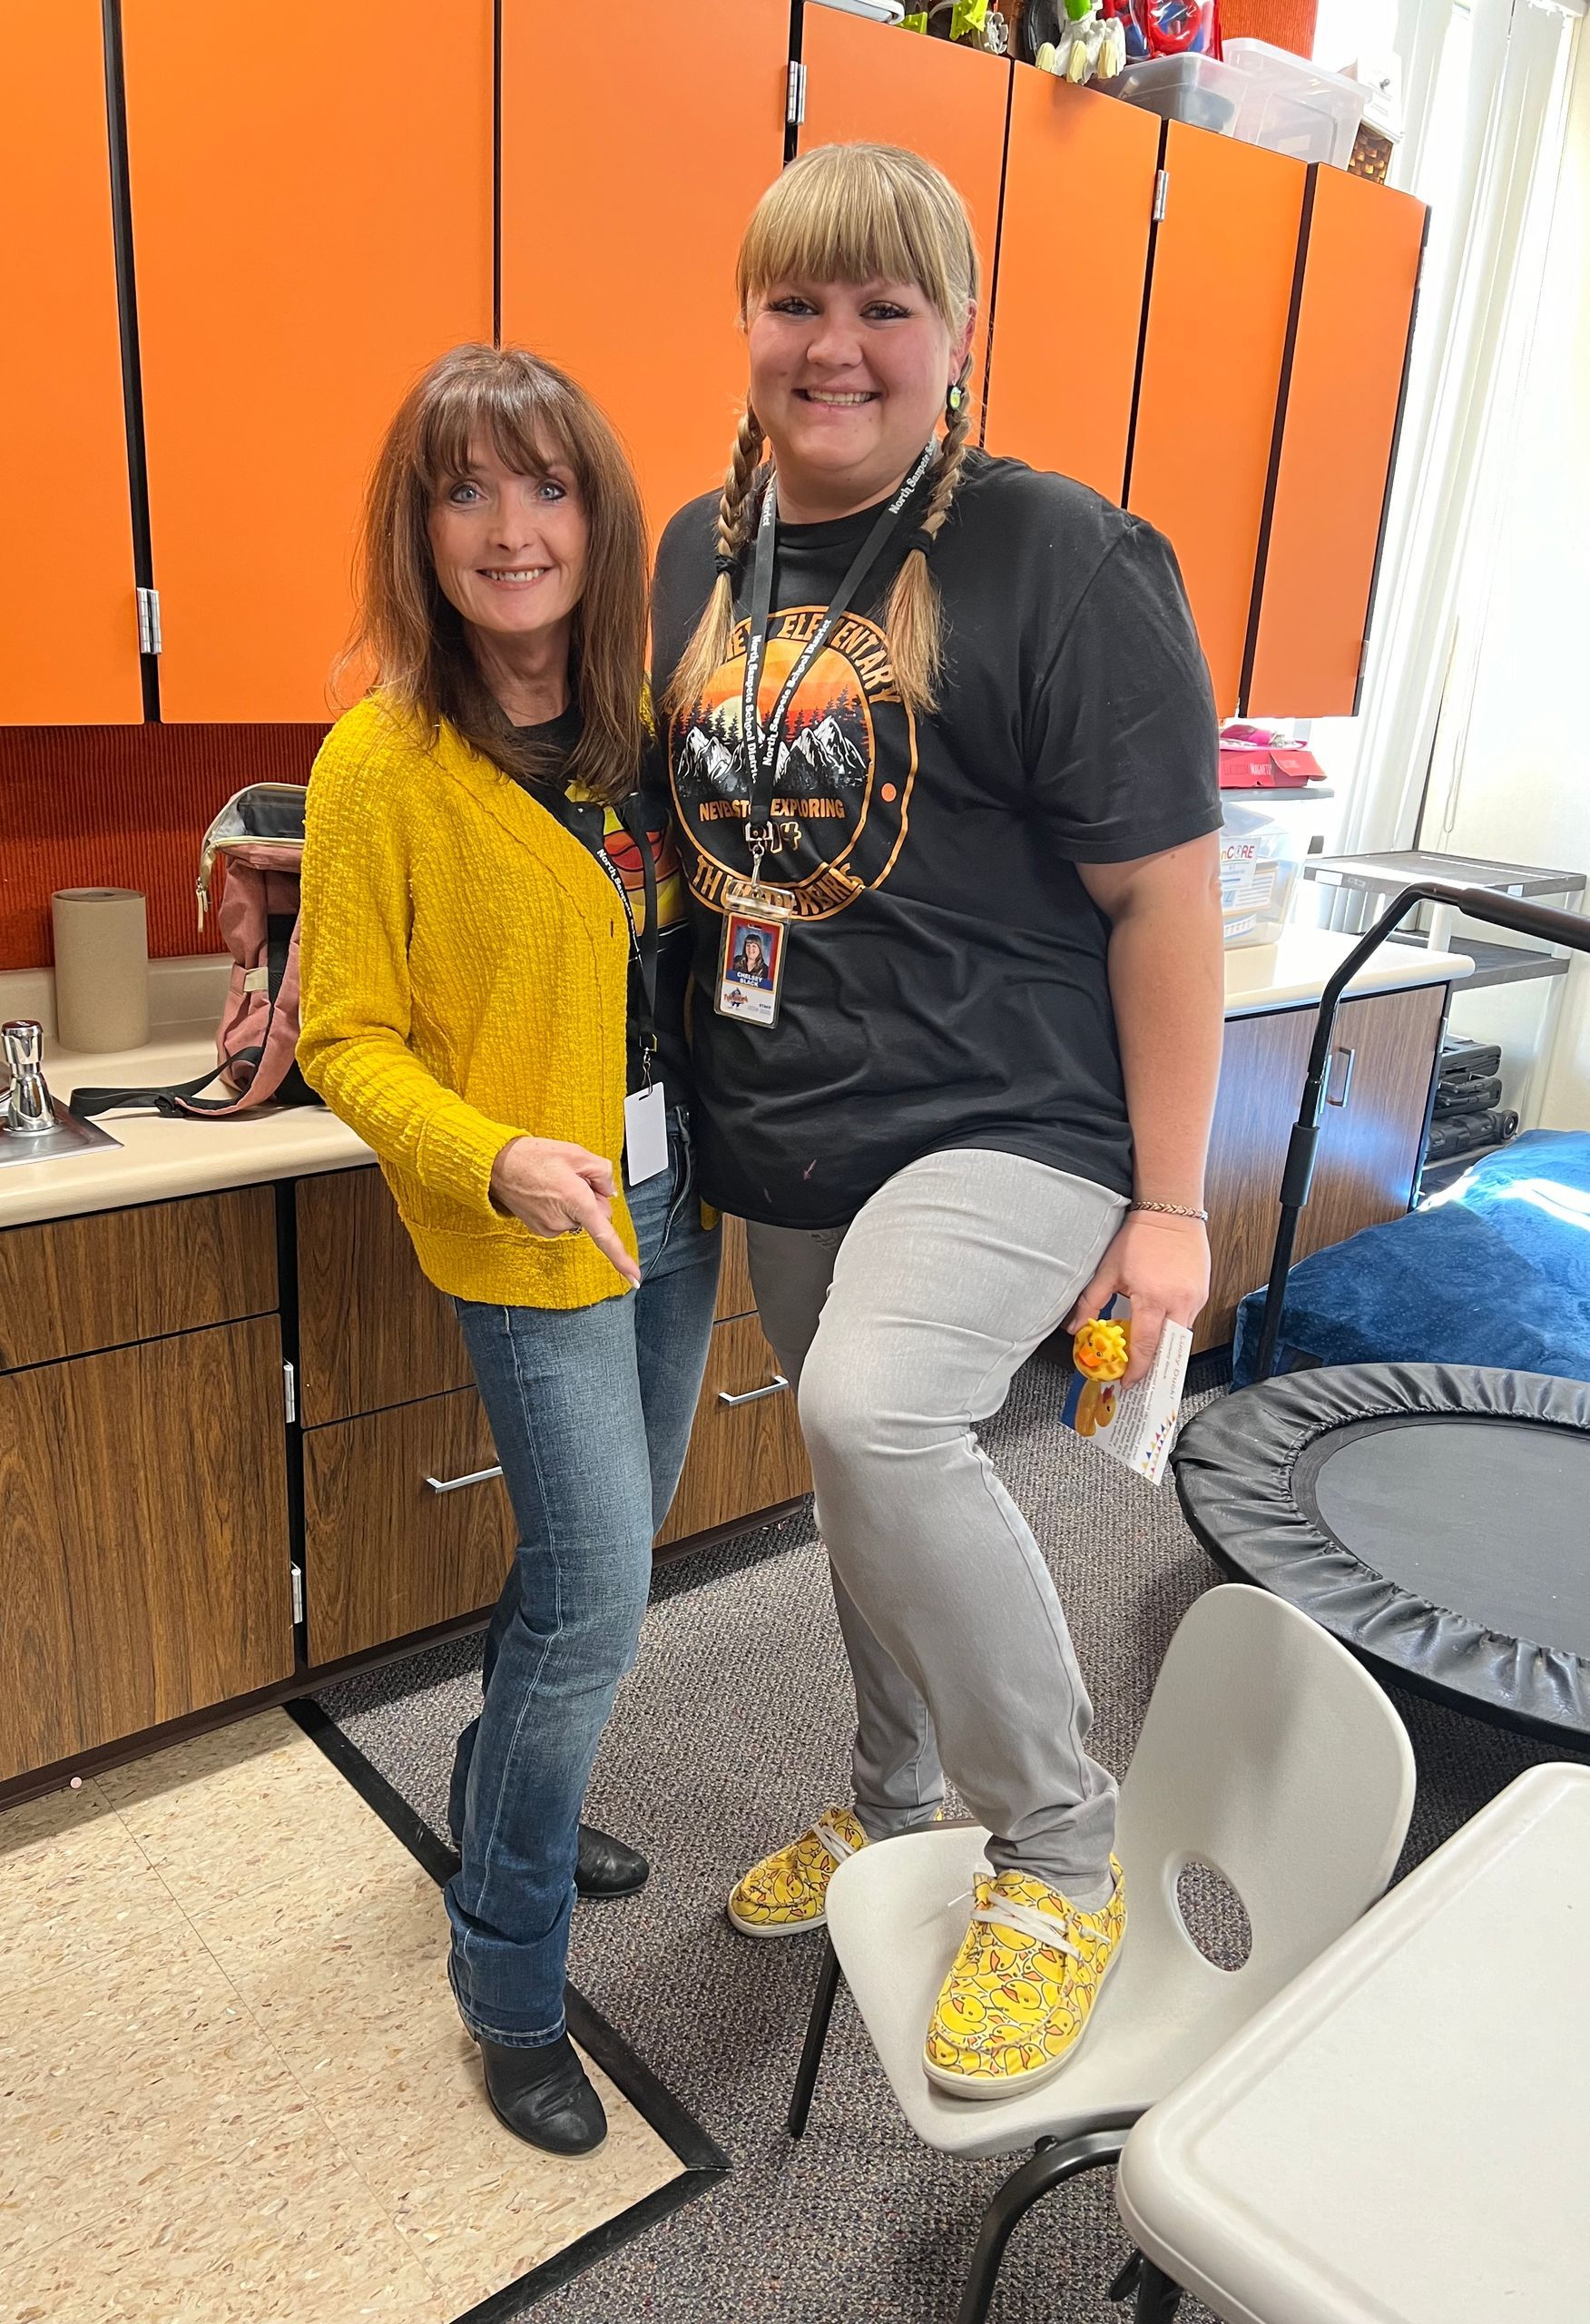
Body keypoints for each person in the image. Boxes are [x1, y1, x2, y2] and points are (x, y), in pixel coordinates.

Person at [653, 144, 1223, 2096]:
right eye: (796, 303)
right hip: (790, 1124)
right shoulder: (693, 554)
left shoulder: (1060, 556)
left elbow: (1165, 897)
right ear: (745, 325)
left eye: (886, 305)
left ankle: (1061, 1843)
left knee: (872, 1411)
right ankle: (890, 1798)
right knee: (864, 1486)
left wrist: (1173, 1208)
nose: (837, 346)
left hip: (1010, 1113)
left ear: (958, 335)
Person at [299, 343, 719, 2156]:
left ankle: (494, 1802)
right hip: (525, 1233)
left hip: (676, 1206)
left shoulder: (641, 725)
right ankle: (510, 1970)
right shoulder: (381, 760)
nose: (509, 526)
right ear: (421, 525)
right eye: (465, 488)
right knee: (599, 1599)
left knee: (585, 1571)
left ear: (595, 513)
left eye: (545, 484)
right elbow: (347, 1036)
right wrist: (495, 1154)